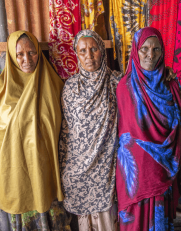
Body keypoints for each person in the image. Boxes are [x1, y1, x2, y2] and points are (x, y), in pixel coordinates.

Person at [0, 31, 71, 230]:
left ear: (38, 52)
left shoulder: (55, 85)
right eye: (19, 54)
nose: (26, 59)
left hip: (48, 178)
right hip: (19, 179)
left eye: (31, 52)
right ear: (11, 56)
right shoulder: (0, 90)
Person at [115, 27, 181, 231]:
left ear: (163, 52)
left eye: (156, 49)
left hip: (163, 171)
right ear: (135, 51)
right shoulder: (124, 87)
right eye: (145, 48)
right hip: (135, 174)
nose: (150, 54)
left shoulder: (171, 86)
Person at [58, 29, 122, 231]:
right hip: (77, 172)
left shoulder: (116, 82)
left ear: (101, 51)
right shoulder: (69, 87)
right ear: (76, 54)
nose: (89, 56)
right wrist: (64, 168)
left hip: (106, 171)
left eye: (93, 49)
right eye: (83, 50)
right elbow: (66, 132)